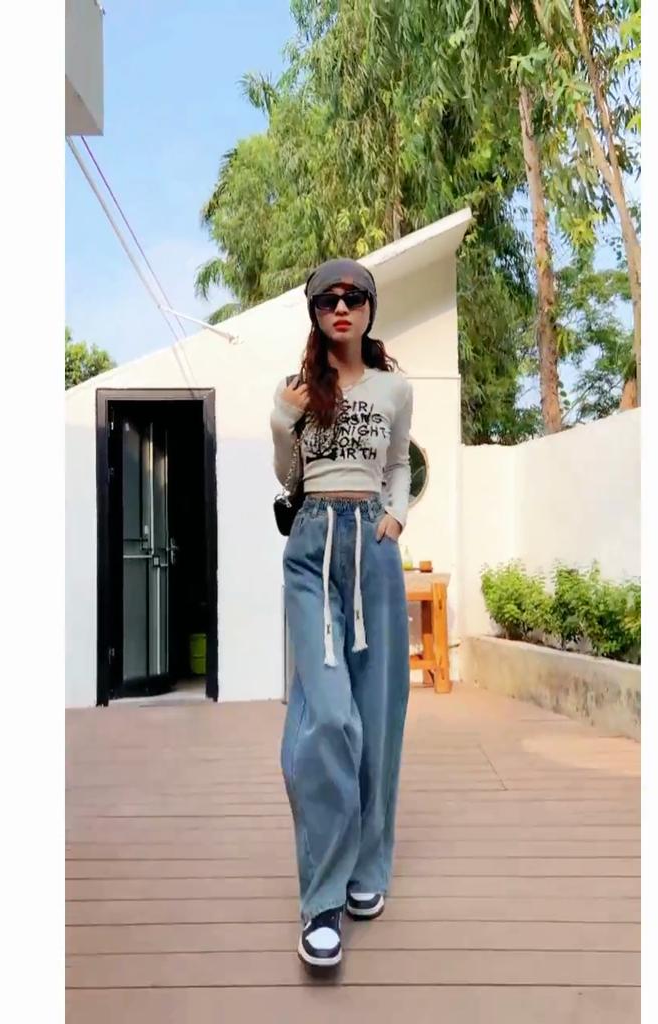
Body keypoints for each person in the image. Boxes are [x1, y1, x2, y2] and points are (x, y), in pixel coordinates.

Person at [270, 258, 413, 969]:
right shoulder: (297, 388)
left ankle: (367, 867)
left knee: (377, 715)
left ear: (370, 308)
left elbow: (400, 463)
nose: (342, 307)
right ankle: (322, 898)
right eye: (328, 300)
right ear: (315, 313)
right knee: (328, 716)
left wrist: (397, 516)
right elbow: (288, 476)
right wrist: (282, 418)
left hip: (373, 549)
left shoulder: (394, 387)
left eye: (354, 297)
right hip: (312, 547)